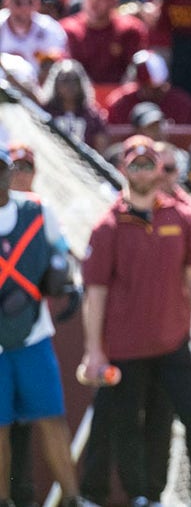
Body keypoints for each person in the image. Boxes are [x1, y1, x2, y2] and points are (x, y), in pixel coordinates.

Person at [79, 135, 191, 507]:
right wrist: (94, 350)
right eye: (134, 164)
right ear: (123, 169)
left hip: (174, 342)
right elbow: (95, 292)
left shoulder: (181, 216)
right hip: (126, 347)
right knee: (128, 425)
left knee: (190, 420)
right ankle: (141, 495)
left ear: (160, 168)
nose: (142, 171)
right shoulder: (107, 226)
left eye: (149, 163)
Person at [0, 145, 83, 507]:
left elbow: (61, 254)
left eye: (5, 166)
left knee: (51, 417)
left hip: (34, 333)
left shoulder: (38, 210)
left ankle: (72, 497)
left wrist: (64, 280)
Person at [60, 0, 149, 85]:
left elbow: (137, 71)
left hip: (120, 96)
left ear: (114, 0)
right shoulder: (67, 30)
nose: (93, 4)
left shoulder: (130, 29)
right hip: (79, 97)